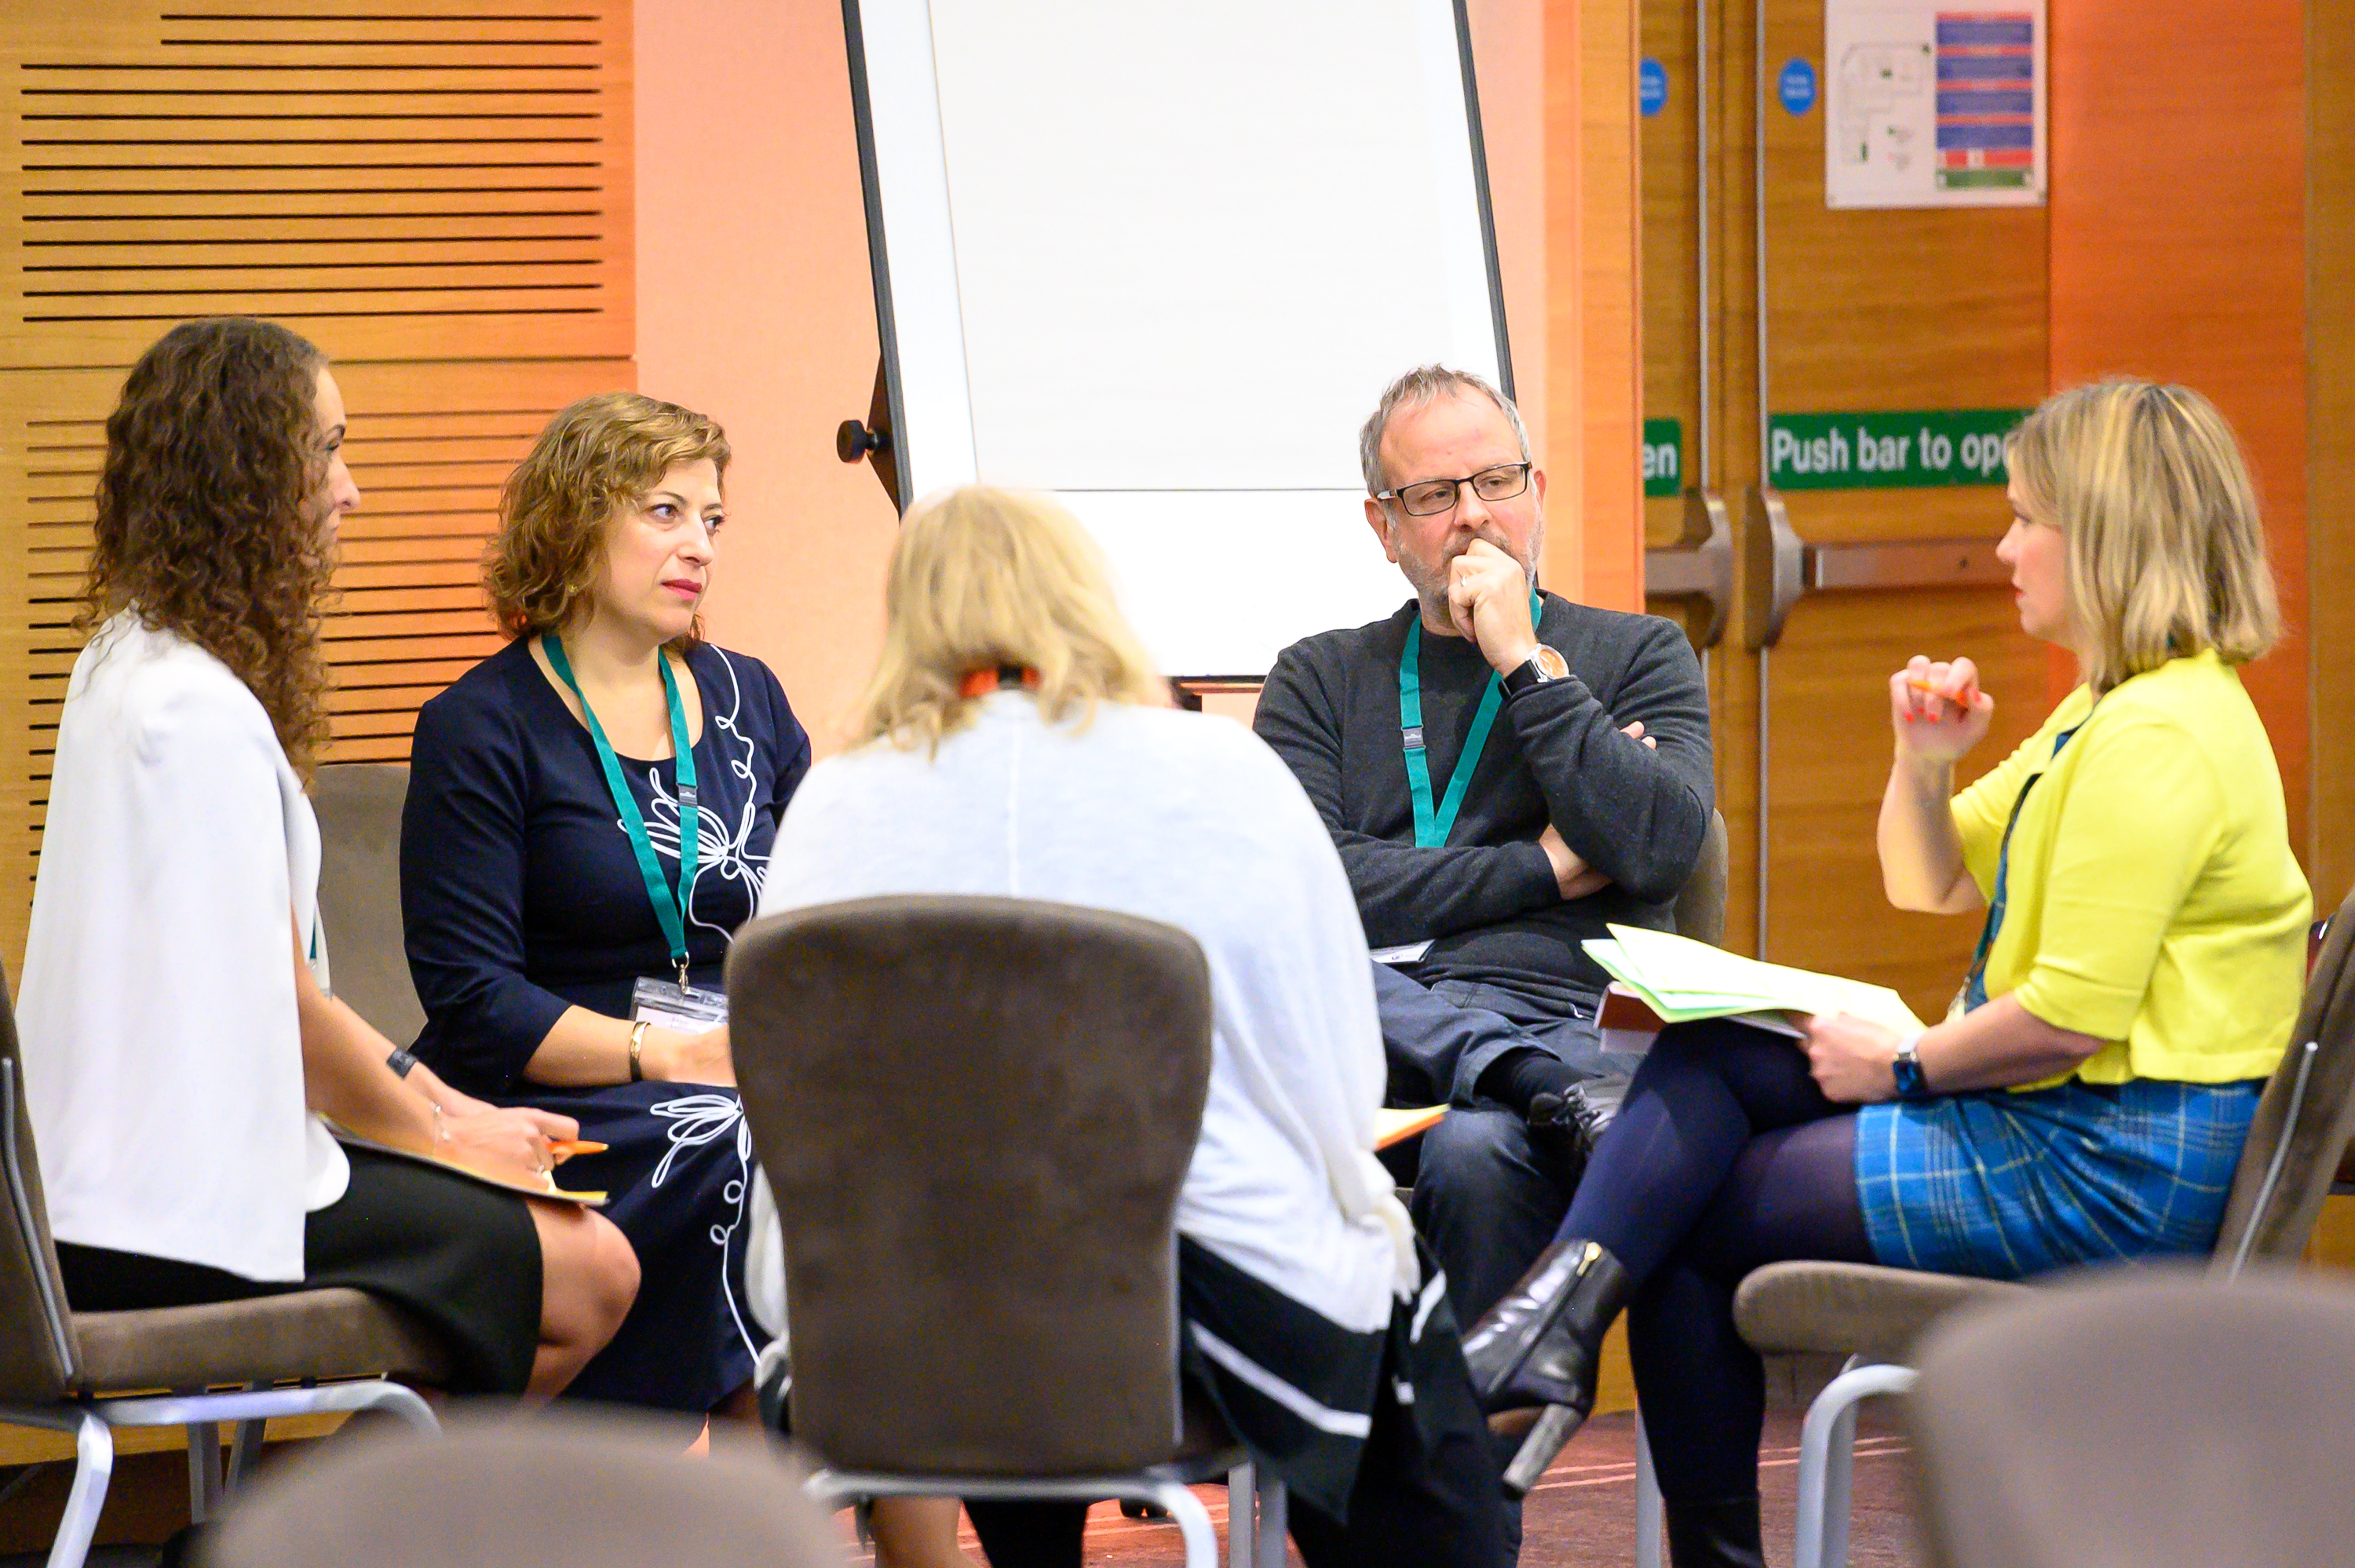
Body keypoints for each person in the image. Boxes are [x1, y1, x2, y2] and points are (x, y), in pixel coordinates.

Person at [1460, 379, 2312, 1565]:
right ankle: (1551, 1323)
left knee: (1688, 1212)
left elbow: (2072, 1015)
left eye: (2027, 519)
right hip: (2072, 1121)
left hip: (2103, 1161)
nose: (2005, 546)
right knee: (1709, 1052)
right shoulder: (2113, 710)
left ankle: (1556, 1333)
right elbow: (1930, 878)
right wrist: (1923, 759)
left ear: (2107, 535)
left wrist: (1902, 1064)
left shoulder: (2158, 737)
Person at [757, 485, 1510, 1568]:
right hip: (1176, 1319)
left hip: (889, 1322)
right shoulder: (1218, 772)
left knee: (1005, 1277)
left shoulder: (832, 805)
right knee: (1398, 1341)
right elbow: (1337, 1076)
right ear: (1090, 601)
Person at [18, 317, 639, 1401]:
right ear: (248, 478)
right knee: (591, 1272)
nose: (351, 489)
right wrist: (453, 1139)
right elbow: (288, 1015)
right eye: (329, 451)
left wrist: (456, 1109)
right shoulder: (194, 711)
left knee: (566, 1249)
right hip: (175, 1218)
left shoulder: (123, 661)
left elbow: (278, 998)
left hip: (93, 1196)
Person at [1253, 364, 1715, 1333]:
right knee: (1287, 965)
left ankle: (1472, 1472)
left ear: (1536, 494)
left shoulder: (1637, 656)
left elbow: (1662, 847)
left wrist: (1525, 664)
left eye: (1497, 483)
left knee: (1474, 1152)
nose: (1474, 516)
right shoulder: (1319, 678)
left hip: (1565, 1016)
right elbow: (1306, 889)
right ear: (1384, 528)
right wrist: (1541, 867)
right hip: (1365, 1034)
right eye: (1433, 496)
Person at [400, 392, 809, 1416]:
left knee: (854, 1125)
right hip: (561, 1078)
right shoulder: (481, 726)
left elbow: (823, 920)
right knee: (731, 1134)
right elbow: (472, 999)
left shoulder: (746, 697)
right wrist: (666, 1051)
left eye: (712, 519)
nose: (701, 547)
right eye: (665, 512)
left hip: (735, 1063)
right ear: (578, 523)